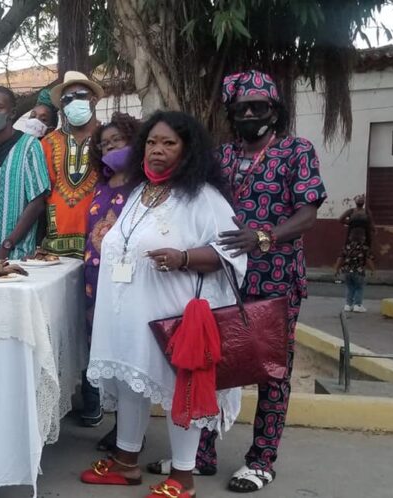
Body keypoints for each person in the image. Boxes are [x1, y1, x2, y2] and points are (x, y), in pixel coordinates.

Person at [175, 70, 326, 493]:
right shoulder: (220, 157)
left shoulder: (296, 151)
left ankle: (261, 460)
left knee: (272, 371)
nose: (251, 114)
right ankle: (200, 454)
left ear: (275, 111)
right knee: (212, 363)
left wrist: (265, 236)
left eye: (259, 107)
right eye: (242, 109)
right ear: (232, 113)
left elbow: (308, 213)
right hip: (222, 278)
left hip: (276, 279)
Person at [80, 111, 246, 498]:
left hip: (174, 314)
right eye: (152, 142)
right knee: (129, 382)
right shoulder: (141, 191)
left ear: (188, 150)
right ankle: (125, 463)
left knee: (178, 388)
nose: (157, 150)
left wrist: (185, 258)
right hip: (129, 311)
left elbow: (233, 251)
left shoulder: (203, 196)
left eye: (169, 143)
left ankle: (183, 477)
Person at [82, 112, 141, 433]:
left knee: (126, 353)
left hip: (127, 282)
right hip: (95, 281)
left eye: (118, 141)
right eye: (104, 145)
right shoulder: (101, 185)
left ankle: (131, 433)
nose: (111, 148)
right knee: (103, 350)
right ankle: (119, 428)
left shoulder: (144, 186)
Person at [0, 85, 50, 260]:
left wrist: (7, 245)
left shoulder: (30, 145)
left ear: (12, 113)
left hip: (15, 253)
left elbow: (37, 202)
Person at [41, 71, 104, 257]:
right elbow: (42, 192)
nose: (73, 102)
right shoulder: (48, 142)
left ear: (93, 100)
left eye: (80, 96)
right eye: (67, 99)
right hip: (56, 239)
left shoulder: (109, 138)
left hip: (99, 236)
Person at [334, 227, 374, 313]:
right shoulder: (364, 248)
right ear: (363, 238)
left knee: (350, 287)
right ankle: (357, 305)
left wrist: (336, 269)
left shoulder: (346, 247)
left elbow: (340, 258)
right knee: (359, 288)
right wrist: (372, 270)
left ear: (350, 237)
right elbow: (368, 260)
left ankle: (348, 305)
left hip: (347, 271)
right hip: (359, 272)